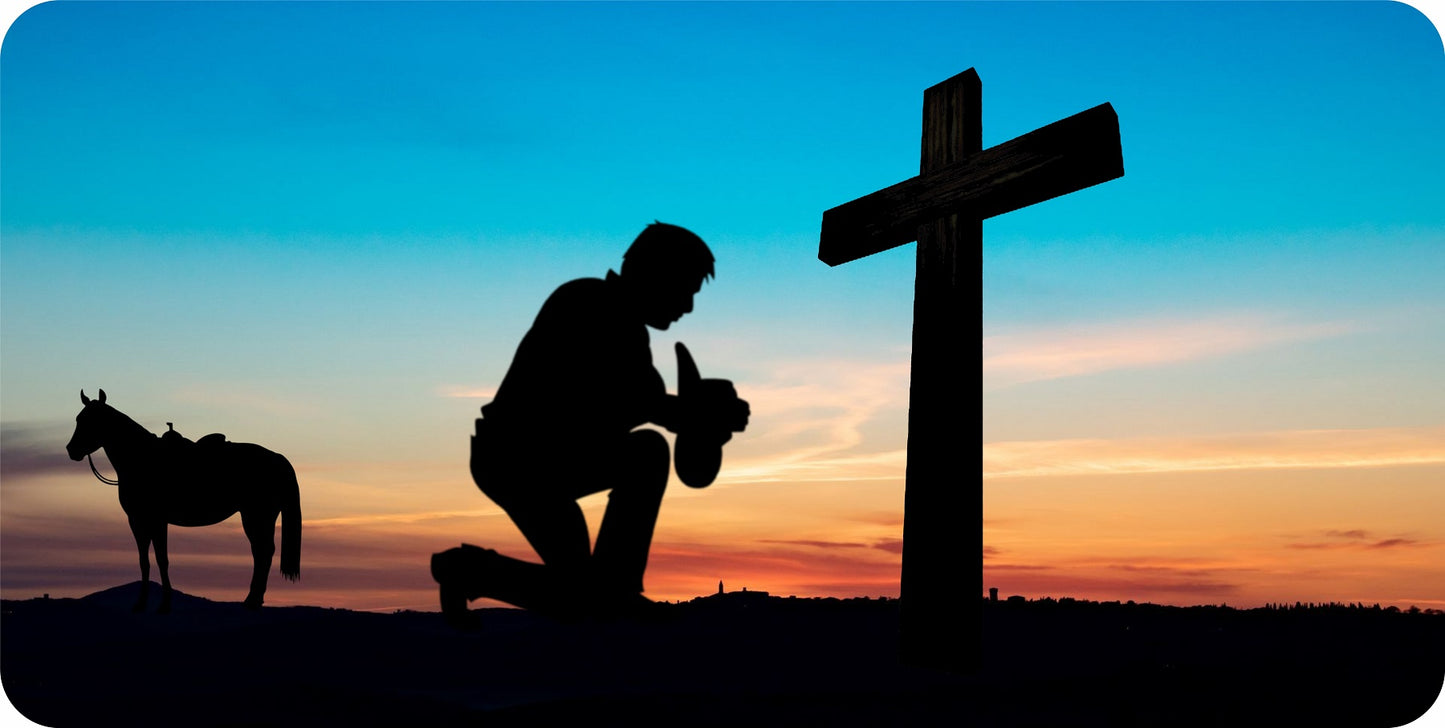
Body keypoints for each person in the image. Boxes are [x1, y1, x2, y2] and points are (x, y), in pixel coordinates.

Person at [432, 222, 749, 626]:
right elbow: (634, 399)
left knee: (583, 595)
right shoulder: (590, 304)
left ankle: (473, 572)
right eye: (685, 289)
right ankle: (613, 593)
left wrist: (697, 418)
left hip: (538, 460)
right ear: (656, 274)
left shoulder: (624, 326)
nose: (687, 306)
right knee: (647, 454)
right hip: (519, 460)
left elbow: (646, 402)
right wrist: (698, 416)